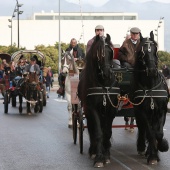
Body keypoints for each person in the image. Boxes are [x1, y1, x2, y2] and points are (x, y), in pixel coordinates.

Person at [118, 27, 141, 132]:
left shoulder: (142, 43)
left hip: (139, 66)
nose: (135, 35)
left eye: (137, 34)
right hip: (128, 65)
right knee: (126, 67)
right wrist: (127, 60)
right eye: (134, 34)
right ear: (131, 34)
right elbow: (120, 54)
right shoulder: (126, 43)